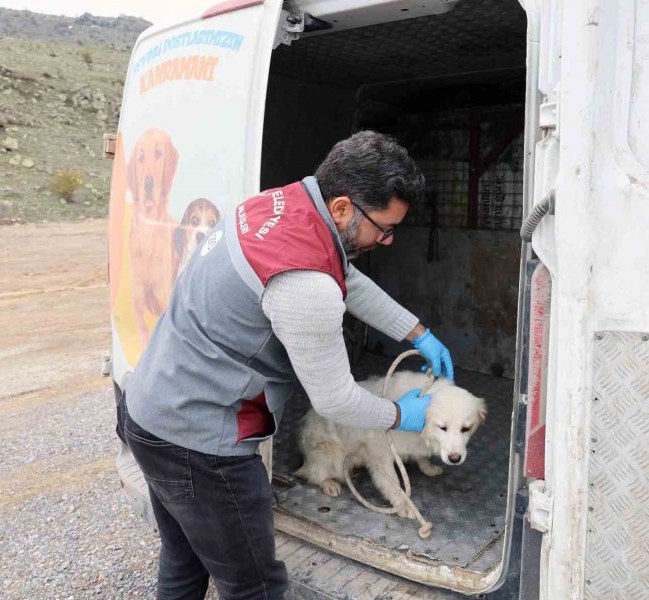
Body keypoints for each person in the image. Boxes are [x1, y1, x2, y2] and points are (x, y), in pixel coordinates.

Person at [118, 130, 455, 600]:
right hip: (200, 444)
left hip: (150, 410)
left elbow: (343, 274)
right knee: (254, 586)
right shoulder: (306, 287)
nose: (388, 240)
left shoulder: (279, 205)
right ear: (341, 208)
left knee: (184, 558)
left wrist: (415, 331)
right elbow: (335, 398)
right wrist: (404, 415)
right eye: (384, 228)